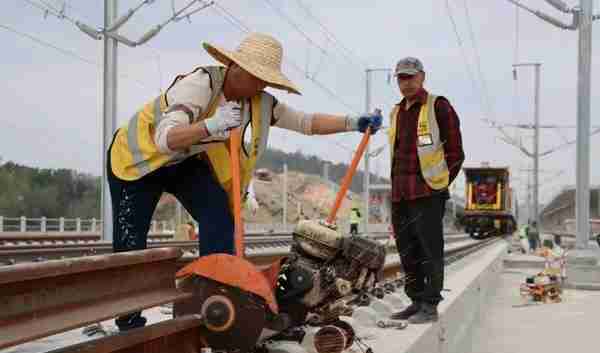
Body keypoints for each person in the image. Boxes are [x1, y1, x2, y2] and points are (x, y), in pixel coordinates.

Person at [107, 32, 382, 331]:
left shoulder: (260, 101)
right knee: (132, 241)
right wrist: (211, 124)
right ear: (235, 67)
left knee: (220, 220)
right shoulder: (200, 85)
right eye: (257, 77)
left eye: (266, 80)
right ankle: (129, 321)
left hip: (185, 162)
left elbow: (306, 122)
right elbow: (165, 139)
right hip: (138, 161)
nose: (262, 85)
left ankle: (215, 299)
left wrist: (352, 123)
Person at [387, 57, 464, 324]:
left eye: (410, 77)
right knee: (407, 250)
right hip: (400, 193)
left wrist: (440, 183)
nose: (405, 82)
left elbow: (456, 152)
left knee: (430, 250)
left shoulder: (438, 106)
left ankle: (430, 305)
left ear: (422, 77)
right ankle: (416, 300)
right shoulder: (396, 111)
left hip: (427, 193)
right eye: (401, 78)